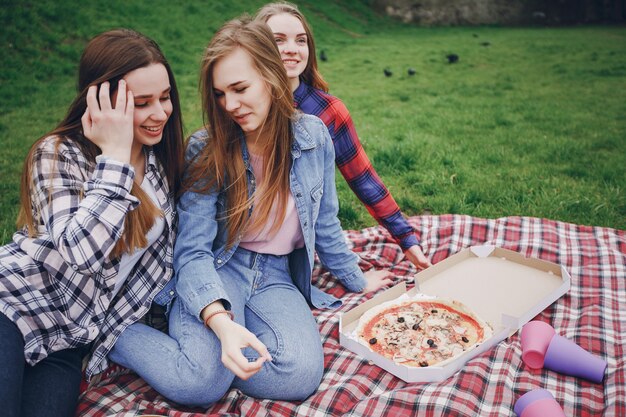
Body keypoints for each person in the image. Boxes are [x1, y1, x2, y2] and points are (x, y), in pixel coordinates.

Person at [108, 16, 392, 407]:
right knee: (200, 385)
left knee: (298, 376)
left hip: (277, 276)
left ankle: (214, 363)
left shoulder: (313, 137)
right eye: (221, 94)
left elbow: (326, 223)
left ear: (272, 76)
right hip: (220, 268)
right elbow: (192, 252)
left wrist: (357, 280)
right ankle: (117, 337)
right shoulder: (206, 149)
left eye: (240, 89)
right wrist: (221, 322)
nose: (230, 106)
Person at [0, 29, 184, 417]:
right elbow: (80, 252)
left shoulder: (160, 165)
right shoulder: (56, 154)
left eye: (165, 98)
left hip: (66, 341)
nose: (160, 113)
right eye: (142, 102)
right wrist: (115, 154)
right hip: (13, 304)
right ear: (101, 102)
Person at [255, 2, 432, 270]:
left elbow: (364, 179)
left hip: (299, 251)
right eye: (278, 40)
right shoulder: (243, 106)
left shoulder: (328, 111)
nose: (292, 48)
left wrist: (407, 239)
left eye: (300, 40)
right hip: (245, 242)